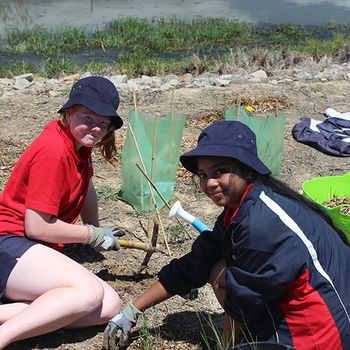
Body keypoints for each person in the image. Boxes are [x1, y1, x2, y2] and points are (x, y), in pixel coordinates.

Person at [103, 120, 350, 350]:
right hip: (320, 311)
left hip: (323, 335)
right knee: (218, 266)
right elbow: (197, 262)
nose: (209, 183)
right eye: (202, 175)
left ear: (247, 169)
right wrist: (132, 310)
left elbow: (243, 304)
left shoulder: (260, 225)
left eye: (219, 171)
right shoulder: (247, 205)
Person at [0, 76, 126, 349]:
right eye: (88, 117)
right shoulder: (54, 151)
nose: (95, 128)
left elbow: (87, 188)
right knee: (88, 293)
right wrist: (90, 234)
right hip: (9, 246)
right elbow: (37, 227)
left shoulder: (79, 144)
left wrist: (98, 229)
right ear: (68, 113)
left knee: (108, 306)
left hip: (28, 248)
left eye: (103, 123)